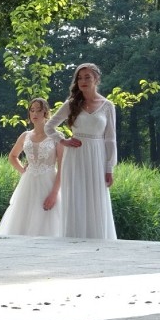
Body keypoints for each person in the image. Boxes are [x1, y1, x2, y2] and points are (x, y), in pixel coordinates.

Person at [45, 63, 117, 239]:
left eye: (87, 77)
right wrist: (63, 141)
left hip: (98, 156)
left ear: (96, 79)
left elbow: (111, 139)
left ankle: (97, 239)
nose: (83, 81)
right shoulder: (71, 104)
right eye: (79, 78)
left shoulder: (107, 106)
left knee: (97, 198)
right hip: (75, 155)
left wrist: (110, 167)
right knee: (75, 196)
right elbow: (49, 126)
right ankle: (73, 238)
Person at [0, 98, 64, 237]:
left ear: (45, 112)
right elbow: (12, 156)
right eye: (32, 110)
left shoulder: (56, 137)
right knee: (22, 221)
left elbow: (63, 168)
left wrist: (54, 193)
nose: (35, 113)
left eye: (39, 110)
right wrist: (23, 170)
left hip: (49, 183)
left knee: (48, 222)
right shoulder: (25, 135)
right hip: (28, 183)